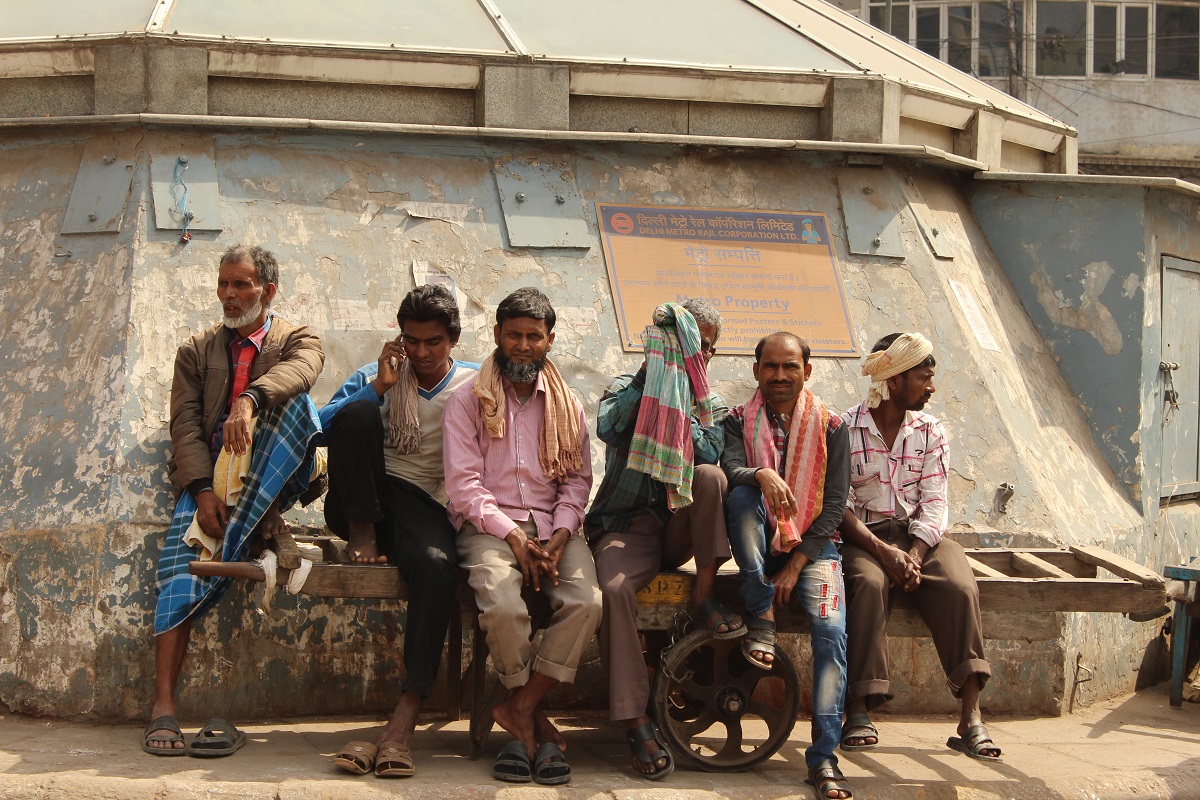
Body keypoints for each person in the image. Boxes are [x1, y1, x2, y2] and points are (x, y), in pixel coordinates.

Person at [145, 245, 325, 758]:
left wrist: (247, 401)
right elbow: (184, 427)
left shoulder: (297, 338)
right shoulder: (196, 350)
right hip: (215, 482)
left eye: (240, 285)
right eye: (223, 284)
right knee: (180, 572)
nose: (228, 295)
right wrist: (202, 492)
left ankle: (264, 508)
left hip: (275, 471)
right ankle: (162, 706)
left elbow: (304, 370)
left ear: (267, 291)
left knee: (300, 405)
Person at [443, 287, 601, 786]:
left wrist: (560, 535)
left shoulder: (568, 405)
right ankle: (528, 715)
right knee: (502, 603)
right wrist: (513, 536)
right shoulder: (467, 400)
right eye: (514, 335)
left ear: (550, 340)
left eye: (534, 336)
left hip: (554, 528)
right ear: (497, 335)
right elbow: (464, 486)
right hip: (489, 527)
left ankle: (519, 706)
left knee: (588, 601)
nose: (524, 345)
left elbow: (577, 482)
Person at [319, 284, 478, 778]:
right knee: (357, 411)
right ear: (399, 337)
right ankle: (363, 533)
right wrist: (379, 388)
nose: (421, 353)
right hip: (357, 502)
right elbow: (321, 428)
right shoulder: (378, 373)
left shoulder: (475, 384)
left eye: (433, 342)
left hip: (421, 506)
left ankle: (409, 707)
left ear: (453, 340)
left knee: (437, 566)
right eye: (412, 340)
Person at [587, 298, 741, 780]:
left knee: (711, 476)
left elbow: (708, 451)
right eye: (686, 344)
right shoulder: (625, 387)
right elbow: (610, 428)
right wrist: (651, 379)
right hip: (626, 524)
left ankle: (705, 596)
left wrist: (675, 404)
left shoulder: (711, 405)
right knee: (614, 590)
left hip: (678, 524)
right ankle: (634, 720)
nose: (698, 354)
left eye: (705, 347)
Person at [838, 332, 1000, 762]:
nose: (931, 387)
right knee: (868, 585)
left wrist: (913, 556)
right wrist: (883, 552)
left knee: (960, 587)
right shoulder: (844, 428)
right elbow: (839, 506)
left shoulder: (931, 431)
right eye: (923, 378)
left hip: (921, 540)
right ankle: (859, 709)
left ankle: (971, 717)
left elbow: (935, 501)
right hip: (865, 538)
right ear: (893, 380)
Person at [722, 332, 852, 800]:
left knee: (831, 635)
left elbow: (834, 507)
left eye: (789, 366)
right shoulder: (737, 419)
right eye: (771, 366)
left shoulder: (832, 426)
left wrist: (795, 566)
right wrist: (761, 474)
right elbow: (729, 468)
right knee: (741, 496)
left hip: (814, 548)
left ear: (806, 371)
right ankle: (762, 610)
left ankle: (824, 758)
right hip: (757, 541)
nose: (779, 376)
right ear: (756, 370)